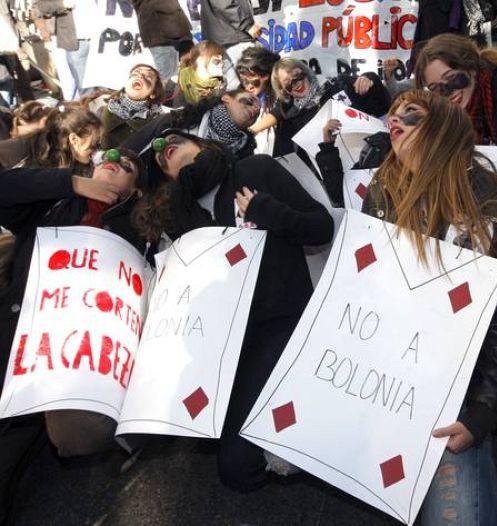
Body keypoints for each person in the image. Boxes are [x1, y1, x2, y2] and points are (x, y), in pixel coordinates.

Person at [131, 129, 334, 491]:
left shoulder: (255, 169)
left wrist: (265, 211)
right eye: (159, 157)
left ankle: (303, 435)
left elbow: (321, 227)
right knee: (234, 470)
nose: (164, 148)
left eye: (173, 139)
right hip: (223, 342)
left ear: (203, 144)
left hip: (280, 324)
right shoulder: (180, 212)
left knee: (238, 466)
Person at [362, 90, 497, 525]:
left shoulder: (486, 200)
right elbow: (361, 289)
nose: (395, 123)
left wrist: (481, 413)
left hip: (453, 382)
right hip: (387, 369)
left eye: (410, 116)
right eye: (392, 116)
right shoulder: (382, 185)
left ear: (444, 130)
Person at [0, 147, 145, 524]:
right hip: (14, 333)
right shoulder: (54, 203)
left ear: (134, 190)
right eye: (112, 155)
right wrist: (73, 182)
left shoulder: (138, 228)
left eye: (128, 166)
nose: (116, 161)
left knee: (65, 437)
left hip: (67, 364)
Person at [269, 58, 391, 162]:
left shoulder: (340, 85)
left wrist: (371, 80)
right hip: (340, 175)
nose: (296, 83)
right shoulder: (292, 120)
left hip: (377, 155)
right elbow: (296, 162)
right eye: (288, 83)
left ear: (305, 72)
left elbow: (382, 107)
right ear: (283, 90)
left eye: (297, 76)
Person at [123, 90, 259, 162]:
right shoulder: (177, 121)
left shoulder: (243, 155)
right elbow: (128, 150)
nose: (255, 109)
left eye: (258, 113)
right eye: (250, 101)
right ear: (226, 98)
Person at [0, 104, 101, 171]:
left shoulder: (77, 161)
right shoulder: (29, 146)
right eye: (94, 144)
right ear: (74, 139)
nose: (97, 149)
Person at [200, 0, 262, 89]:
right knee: (246, 85)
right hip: (232, 37)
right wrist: (247, 25)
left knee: (239, 86)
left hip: (229, 35)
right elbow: (224, 3)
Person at [99, 64, 165, 149]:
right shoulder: (105, 108)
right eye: (136, 73)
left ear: (153, 94)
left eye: (148, 77)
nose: (140, 76)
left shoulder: (157, 120)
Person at [131, 0, 193, 86]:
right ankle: (166, 98)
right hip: (158, 28)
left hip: (177, 24)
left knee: (191, 71)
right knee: (168, 77)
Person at [234, 46, 280, 139]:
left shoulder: (280, 92)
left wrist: (251, 132)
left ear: (266, 75)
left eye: (253, 81)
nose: (248, 86)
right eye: (244, 81)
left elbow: (281, 112)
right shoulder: (240, 95)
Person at [176, 41, 227, 107]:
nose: (221, 65)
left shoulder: (221, 83)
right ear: (200, 61)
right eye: (216, 61)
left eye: (222, 61)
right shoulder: (183, 79)